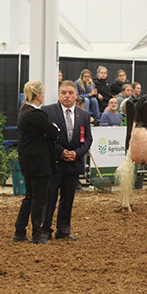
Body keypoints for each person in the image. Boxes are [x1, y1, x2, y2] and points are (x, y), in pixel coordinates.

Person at [42, 80, 93, 240]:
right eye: (64, 92)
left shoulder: (84, 115)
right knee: (49, 197)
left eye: (70, 93)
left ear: (76, 95)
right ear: (59, 94)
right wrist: (61, 151)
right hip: (54, 163)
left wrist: (77, 154)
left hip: (73, 164)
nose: (67, 96)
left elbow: (87, 140)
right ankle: (44, 229)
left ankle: (63, 231)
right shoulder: (48, 112)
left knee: (68, 198)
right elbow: (45, 137)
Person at [13, 80, 59, 245]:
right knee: (39, 198)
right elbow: (53, 132)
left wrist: (47, 132)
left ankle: (20, 230)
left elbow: (48, 132)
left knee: (30, 196)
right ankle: (36, 233)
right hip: (40, 161)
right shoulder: (36, 114)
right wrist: (50, 131)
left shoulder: (24, 111)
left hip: (29, 160)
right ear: (39, 96)